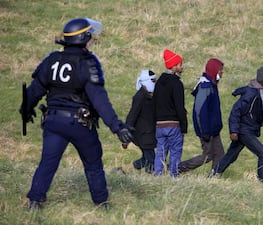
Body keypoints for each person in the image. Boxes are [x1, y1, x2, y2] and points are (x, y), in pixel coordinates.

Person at [19, 18, 134, 210]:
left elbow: (33, 91)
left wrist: (26, 110)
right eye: (90, 37)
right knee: (93, 163)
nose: (91, 41)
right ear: (84, 39)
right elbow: (99, 99)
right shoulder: (87, 63)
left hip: (53, 122)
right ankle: (101, 203)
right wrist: (117, 126)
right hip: (80, 123)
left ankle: (35, 201)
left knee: (47, 163)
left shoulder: (51, 60)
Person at [211, 67, 263, 182]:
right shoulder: (251, 94)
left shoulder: (259, 91)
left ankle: (215, 173)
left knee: (231, 155)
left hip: (247, 129)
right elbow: (236, 111)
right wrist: (233, 131)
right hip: (245, 131)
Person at [178, 58, 225, 174]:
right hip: (207, 130)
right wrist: (204, 132)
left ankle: (214, 176)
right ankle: (179, 168)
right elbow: (199, 112)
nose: (222, 72)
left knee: (219, 154)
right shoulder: (205, 87)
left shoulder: (211, 85)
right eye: (220, 70)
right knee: (207, 155)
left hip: (213, 129)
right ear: (214, 70)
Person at [153, 49, 187, 177]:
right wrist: (183, 125)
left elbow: (154, 105)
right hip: (174, 124)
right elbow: (179, 107)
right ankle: (174, 176)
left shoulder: (158, 83)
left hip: (160, 125)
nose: (181, 67)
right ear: (174, 66)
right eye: (179, 64)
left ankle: (158, 175)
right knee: (175, 152)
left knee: (160, 152)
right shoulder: (177, 83)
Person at [122, 70, 157, 174]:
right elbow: (132, 116)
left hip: (149, 134)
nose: (155, 83)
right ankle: (151, 178)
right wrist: (126, 138)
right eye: (153, 81)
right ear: (146, 81)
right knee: (151, 159)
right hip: (143, 134)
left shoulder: (150, 95)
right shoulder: (140, 97)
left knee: (146, 158)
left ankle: (125, 169)